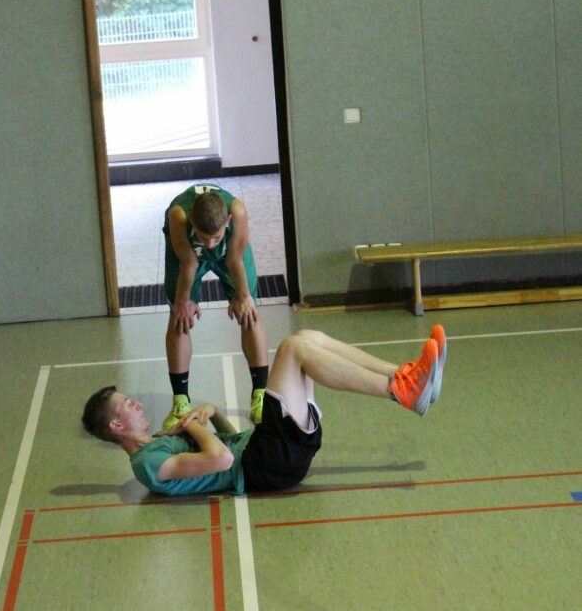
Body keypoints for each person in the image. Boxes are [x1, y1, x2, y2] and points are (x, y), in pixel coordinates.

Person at [82, 325, 447, 497]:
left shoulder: (157, 442)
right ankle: (400, 390)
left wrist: (212, 413)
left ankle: (404, 375)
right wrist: (193, 426)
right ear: (116, 426)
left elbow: (227, 442)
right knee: (292, 349)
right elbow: (223, 460)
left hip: (266, 453)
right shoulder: (147, 464)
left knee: (306, 338)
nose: (137, 403)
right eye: (128, 405)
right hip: (265, 466)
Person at [161, 183, 268, 431]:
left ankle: (261, 395)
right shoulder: (178, 215)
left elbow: (234, 258)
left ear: (227, 221)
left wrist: (243, 296)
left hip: (230, 256)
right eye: (203, 236)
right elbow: (188, 263)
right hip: (188, 257)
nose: (210, 245)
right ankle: (180, 401)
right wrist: (183, 302)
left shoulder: (237, 211)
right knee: (179, 318)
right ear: (192, 222)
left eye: (216, 237)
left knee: (250, 313)